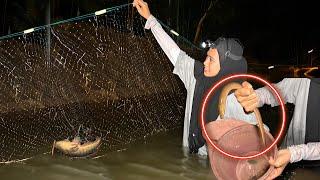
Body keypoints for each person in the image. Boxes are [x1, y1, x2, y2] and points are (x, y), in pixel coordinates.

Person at [133, 0, 262, 156]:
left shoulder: (237, 97)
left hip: (212, 166)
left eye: (211, 60)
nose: (205, 63)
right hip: (188, 158)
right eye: (206, 57)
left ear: (227, 67)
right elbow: (173, 51)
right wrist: (150, 19)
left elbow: (260, 138)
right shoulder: (196, 75)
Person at [235, 78, 320, 179]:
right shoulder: (306, 84)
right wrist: (254, 97)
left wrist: (293, 153)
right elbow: (276, 91)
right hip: (284, 155)